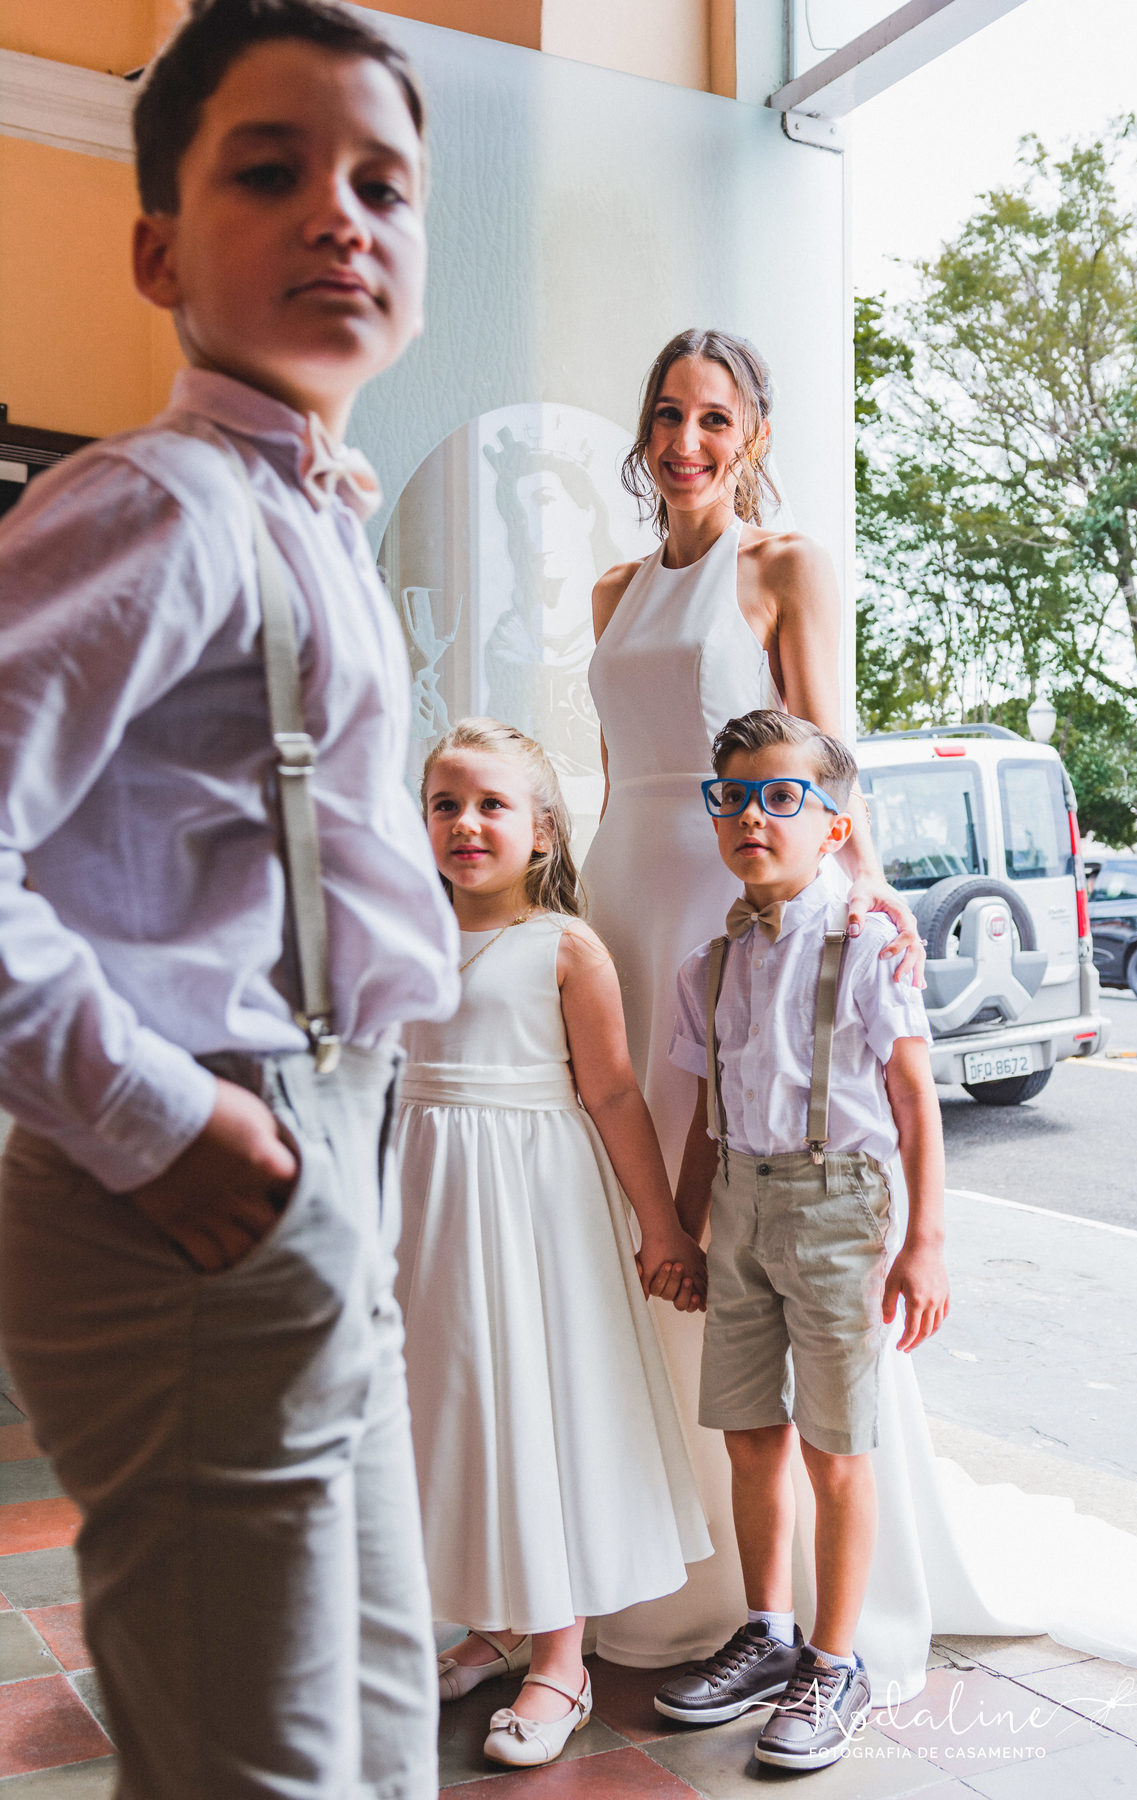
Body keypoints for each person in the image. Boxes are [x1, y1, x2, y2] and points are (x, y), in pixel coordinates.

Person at [0, 3, 458, 1795]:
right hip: (198, 1179)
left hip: (323, 1156)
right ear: (159, 253)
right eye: (271, 173)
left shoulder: (310, 516)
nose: (340, 214)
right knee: (253, 1767)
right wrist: (155, 1116)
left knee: (375, 1732)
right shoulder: (162, 504)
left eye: (383, 187)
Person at [581, 327, 926, 1676]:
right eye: (668, 415)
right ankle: (640, 1549)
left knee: (751, 1187)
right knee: (644, 1197)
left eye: (715, 419)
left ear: (754, 437)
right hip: (623, 902)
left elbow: (831, 753)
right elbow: (617, 773)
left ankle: (775, 1603)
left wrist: (866, 887)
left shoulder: (784, 567)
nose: (687, 442)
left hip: (741, 899)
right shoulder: (612, 591)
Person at [394, 718, 713, 1770]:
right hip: (428, 1202)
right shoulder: (407, 935)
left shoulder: (563, 947)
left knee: (537, 1406)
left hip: (532, 1208)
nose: (466, 823)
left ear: (540, 830)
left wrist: (663, 1224)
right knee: (458, 1406)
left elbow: (613, 1093)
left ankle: (562, 1657)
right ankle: (493, 1623)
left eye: (492, 804)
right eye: (445, 804)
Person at [653, 710, 949, 1770]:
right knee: (749, 1432)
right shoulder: (708, 962)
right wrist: (683, 1227)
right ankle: (769, 1630)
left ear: (834, 827)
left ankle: (836, 1658)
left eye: (782, 797)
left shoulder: (869, 944)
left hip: (838, 1211)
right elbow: (705, 1114)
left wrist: (925, 1241)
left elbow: (914, 1100)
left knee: (835, 1446)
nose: (752, 817)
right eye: (732, 798)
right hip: (739, 1205)